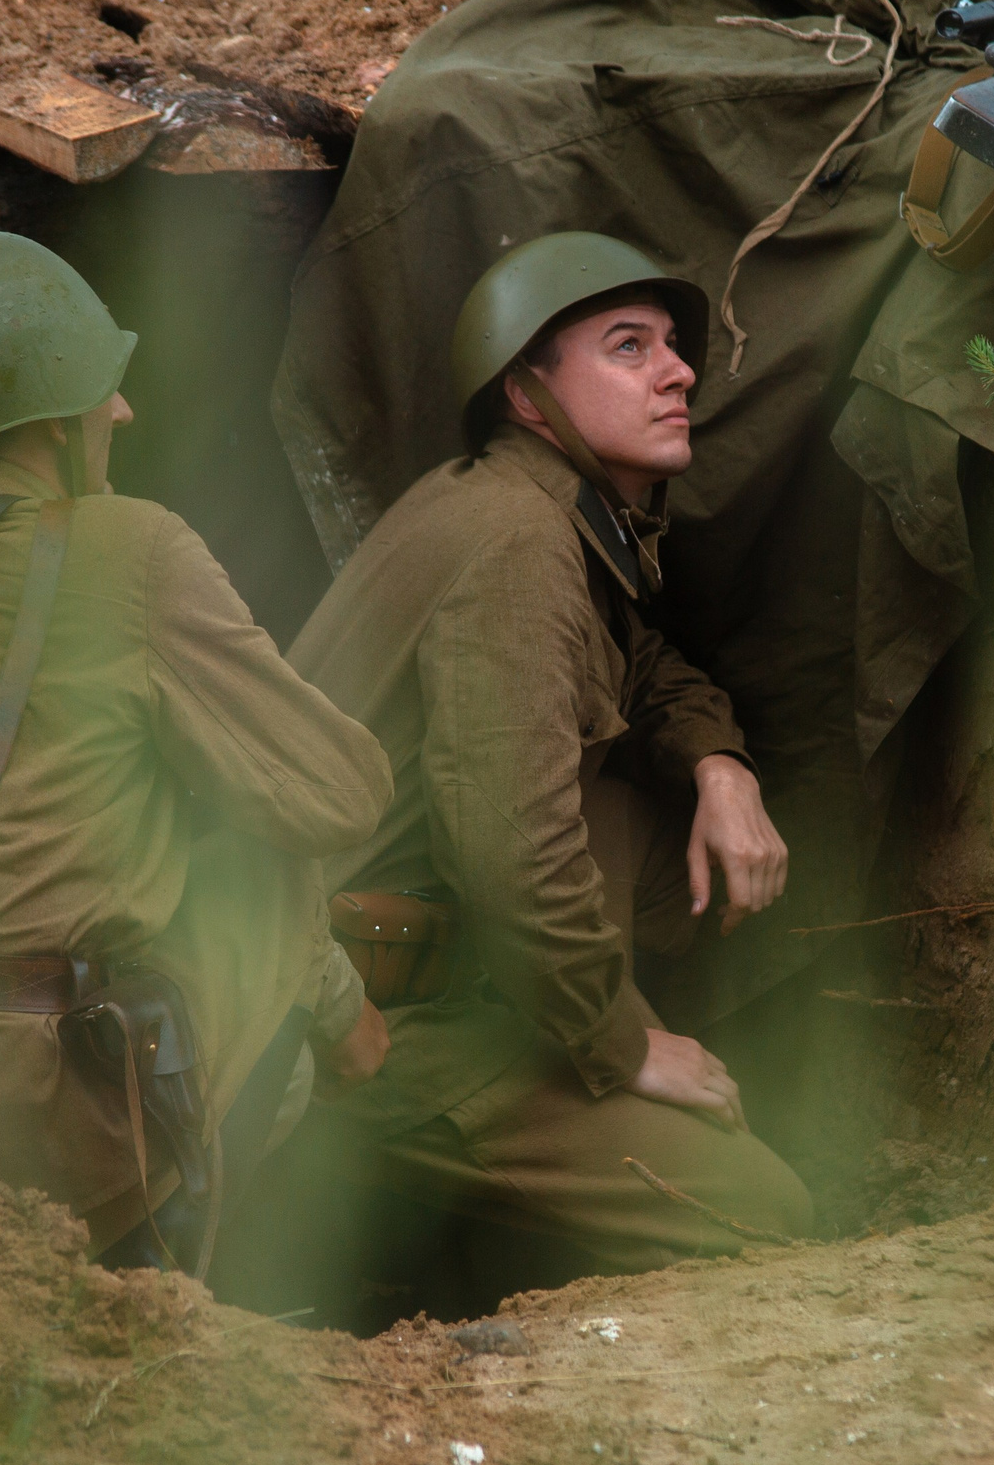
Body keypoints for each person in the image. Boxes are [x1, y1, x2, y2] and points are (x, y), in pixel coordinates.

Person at [0, 231, 395, 1270]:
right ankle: (167, 1269)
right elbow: (341, 790)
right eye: (101, 391)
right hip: (52, 1122)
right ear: (48, 423)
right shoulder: (133, 550)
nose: (122, 412)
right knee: (270, 866)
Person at [286, 231, 813, 1276]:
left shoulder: (531, 504)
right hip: (385, 1011)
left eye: (671, 346)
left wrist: (720, 764)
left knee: (671, 856)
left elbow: (635, 663)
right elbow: (510, 855)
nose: (678, 372)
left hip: (417, 942)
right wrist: (623, 1046)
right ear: (528, 395)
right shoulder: (518, 545)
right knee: (766, 1215)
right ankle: (420, 1186)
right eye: (628, 347)